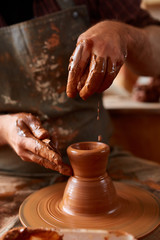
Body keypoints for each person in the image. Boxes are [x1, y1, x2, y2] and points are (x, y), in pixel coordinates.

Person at [0, 0, 160, 177]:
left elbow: (156, 51)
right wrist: (5, 129)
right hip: (11, 172)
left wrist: (121, 32)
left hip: (100, 162)